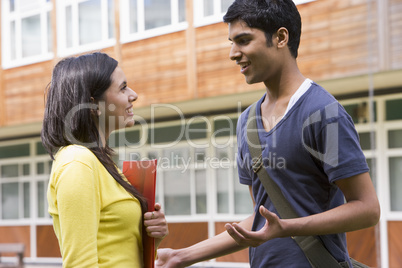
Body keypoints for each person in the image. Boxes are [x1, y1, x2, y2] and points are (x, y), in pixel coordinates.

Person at [155, 0, 380, 267]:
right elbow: (263, 218)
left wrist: (288, 226)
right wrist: (181, 256)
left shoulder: (323, 113)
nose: (233, 53)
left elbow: (367, 209)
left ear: (281, 37)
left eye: (243, 40)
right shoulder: (247, 122)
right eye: (231, 42)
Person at [41, 52, 169, 267]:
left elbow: (116, 250)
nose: (134, 94)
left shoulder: (105, 166)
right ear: (94, 105)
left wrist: (152, 237)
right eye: (123, 87)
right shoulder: (78, 161)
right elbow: (81, 264)